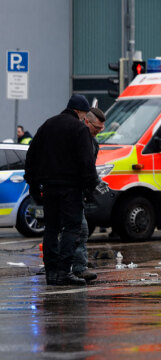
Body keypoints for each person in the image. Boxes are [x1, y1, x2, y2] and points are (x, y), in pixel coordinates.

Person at [24, 95, 101, 286]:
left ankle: (51, 273)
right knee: (71, 228)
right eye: (84, 115)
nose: (84, 119)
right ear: (79, 112)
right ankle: (64, 272)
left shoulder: (47, 125)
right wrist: (90, 188)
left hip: (49, 188)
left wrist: (33, 186)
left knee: (51, 228)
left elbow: (31, 156)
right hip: (71, 189)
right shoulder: (79, 129)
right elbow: (86, 162)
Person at [72, 107, 106, 282]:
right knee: (80, 229)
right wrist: (95, 182)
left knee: (73, 230)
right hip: (70, 191)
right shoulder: (79, 138)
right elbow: (83, 168)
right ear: (87, 121)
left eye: (101, 129)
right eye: (97, 128)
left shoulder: (93, 143)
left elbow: (89, 169)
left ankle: (71, 265)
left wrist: (96, 182)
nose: (98, 132)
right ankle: (77, 268)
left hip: (78, 192)